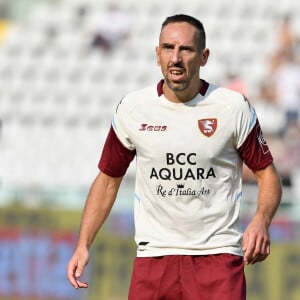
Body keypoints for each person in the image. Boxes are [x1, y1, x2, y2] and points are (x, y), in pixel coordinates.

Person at [67, 14, 282, 299]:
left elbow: (267, 175)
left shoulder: (232, 108)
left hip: (216, 257)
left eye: (186, 49)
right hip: (154, 258)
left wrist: (261, 220)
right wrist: (83, 244)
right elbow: (108, 180)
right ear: (157, 54)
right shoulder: (133, 109)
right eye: (168, 48)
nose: (176, 58)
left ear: (204, 57)